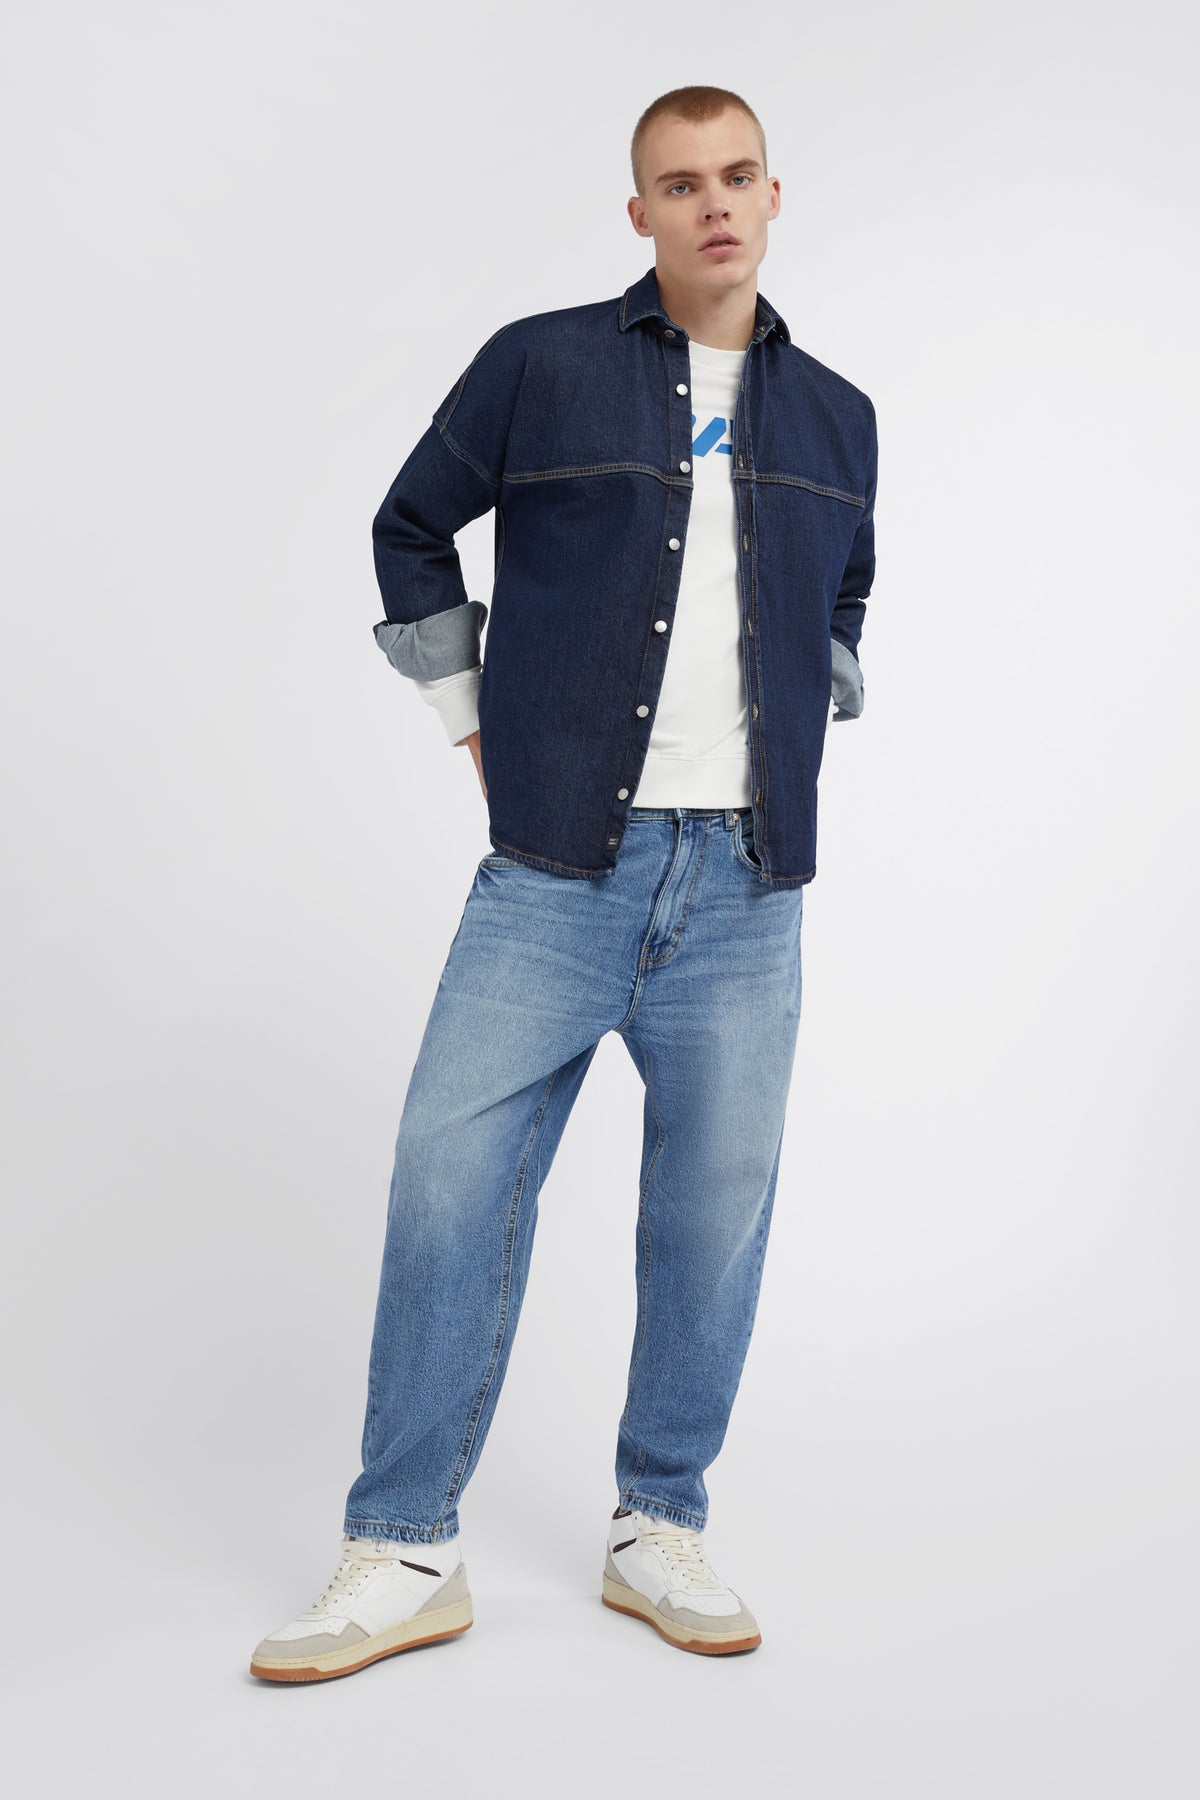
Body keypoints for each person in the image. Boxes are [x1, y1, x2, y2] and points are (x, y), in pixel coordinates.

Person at [250, 83, 878, 1682]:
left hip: (749, 889)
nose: (713, 204)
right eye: (681, 183)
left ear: (775, 194)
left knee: (713, 1214)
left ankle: (658, 1521)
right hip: (555, 873)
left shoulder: (841, 417)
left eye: (737, 176)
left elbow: (845, 600)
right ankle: (405, 1547)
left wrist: (794, 730)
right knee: (449, 1182)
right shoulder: (542, 367)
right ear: (640, 213)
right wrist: (472, 713)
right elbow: (409, 525)